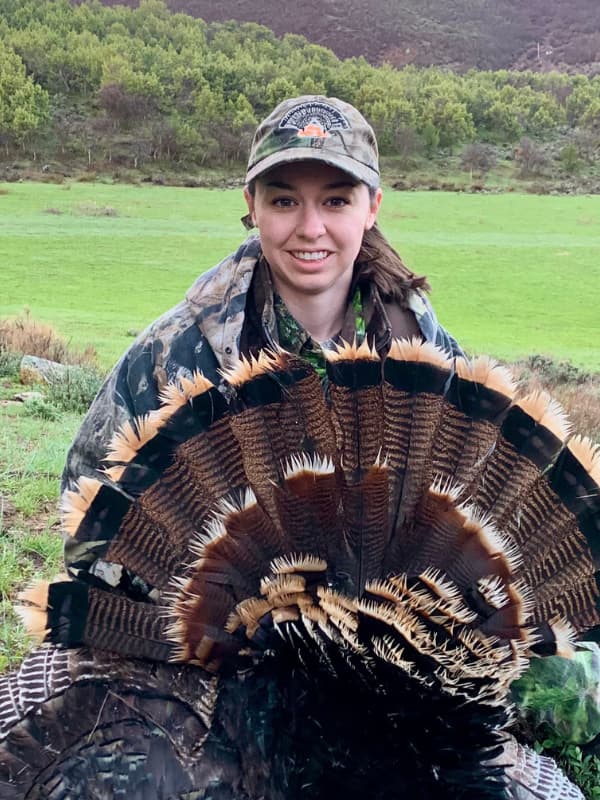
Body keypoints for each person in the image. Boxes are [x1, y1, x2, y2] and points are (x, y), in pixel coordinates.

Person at [61, 95, 462, 595]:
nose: (311, 228)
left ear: (372, 208)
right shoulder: (173, 355)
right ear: (251, 205)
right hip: (217, 650)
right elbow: (89, 522)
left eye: (336, 200)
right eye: (284, 201)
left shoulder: (426, 355)